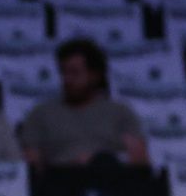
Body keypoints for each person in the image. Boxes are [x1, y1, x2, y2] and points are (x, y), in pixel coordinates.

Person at [19, 38, 149, 168]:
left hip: (110, 180)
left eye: (75, 73)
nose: (67, 79)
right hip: (59, 182)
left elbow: (140, 163)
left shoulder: (120, 113)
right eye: (64, 72)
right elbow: (31, 164)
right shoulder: (41, 114)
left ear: (95, 75)